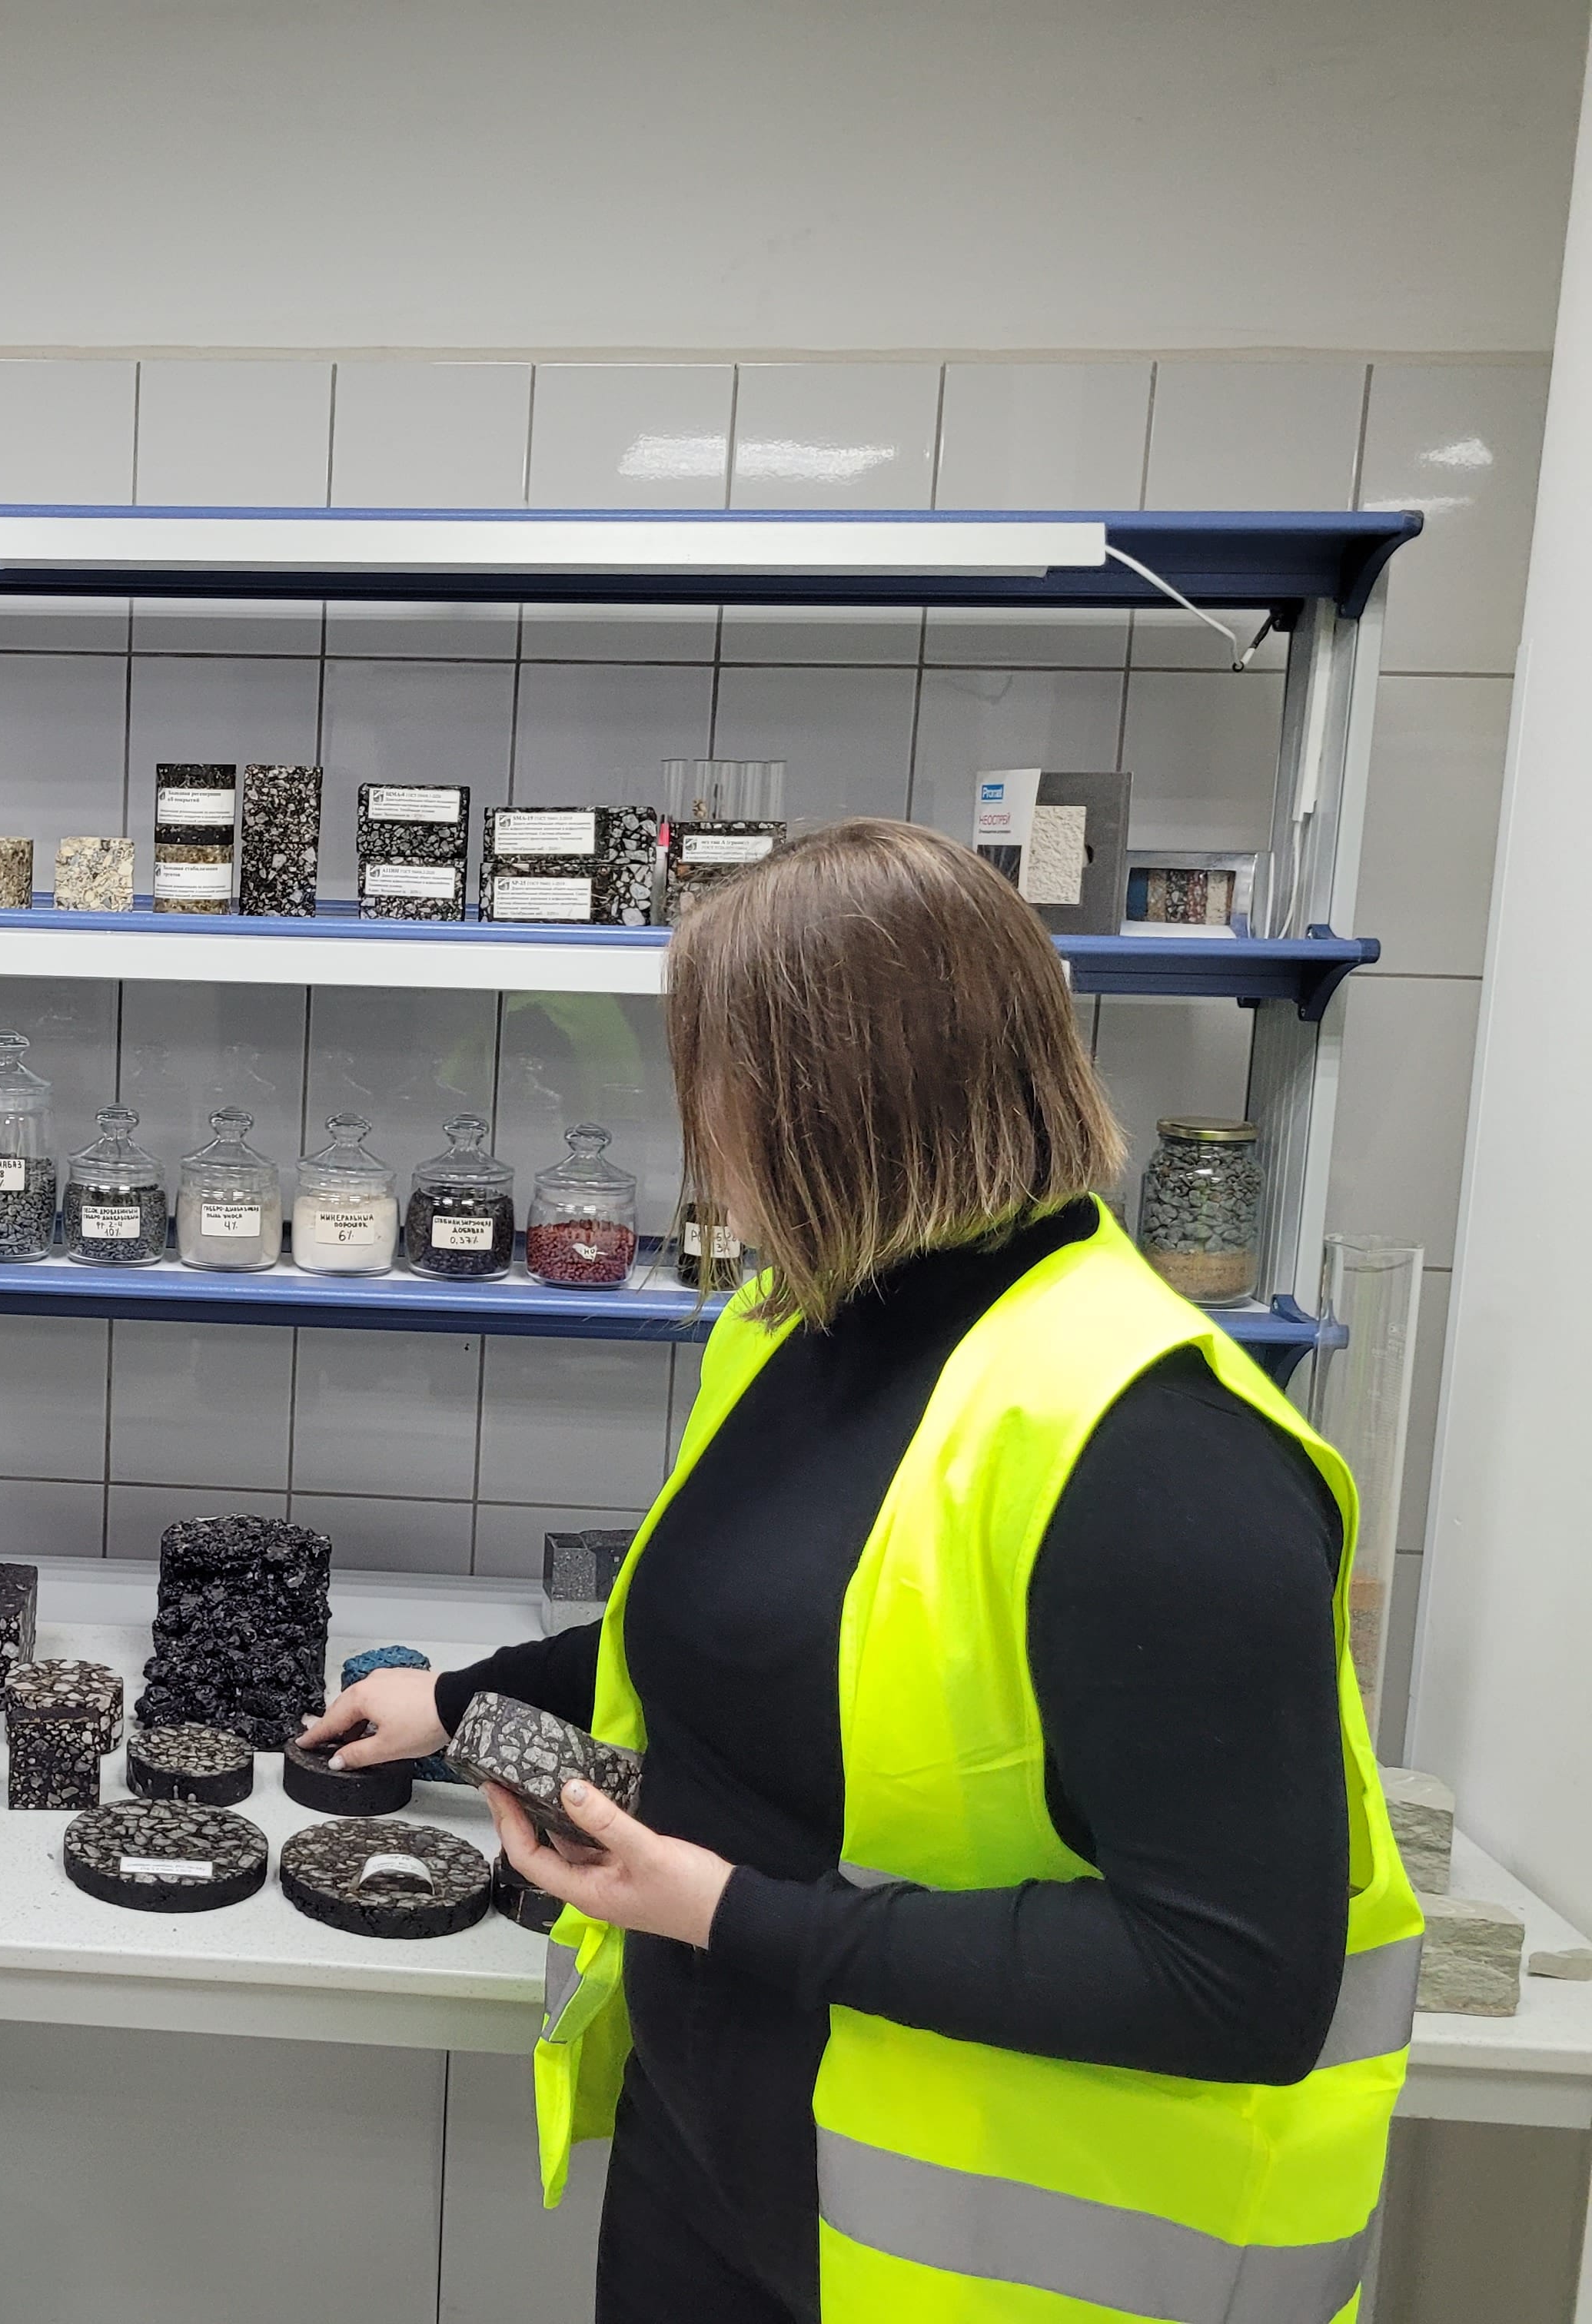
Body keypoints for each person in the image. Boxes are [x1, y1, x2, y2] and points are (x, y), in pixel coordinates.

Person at [301, 818, 1418, 2324]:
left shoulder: (1153, 1444)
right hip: (717, 2172)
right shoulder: (803, 1326)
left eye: (711, 1079)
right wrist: (457, 1702)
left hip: (985, 2265)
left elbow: (1236, 1982)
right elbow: (735, 1643)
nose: (697, 1134)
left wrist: (723, 1910)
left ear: (828, 1103)